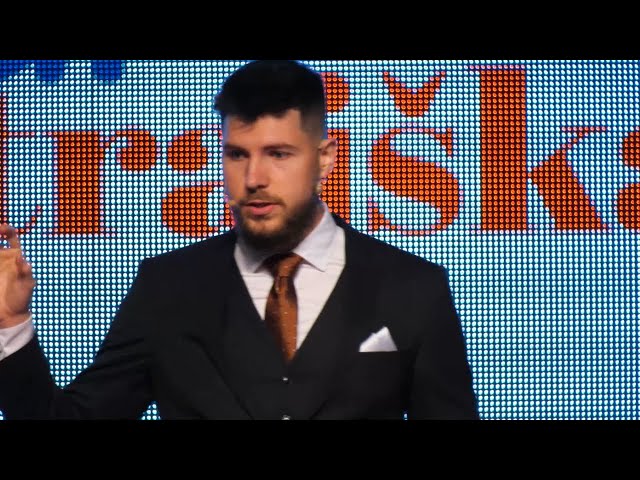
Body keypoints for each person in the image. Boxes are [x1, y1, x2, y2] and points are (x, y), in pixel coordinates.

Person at [0, 60, 479, 420]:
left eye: (279, 154)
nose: (254, 178)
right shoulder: (168, 287)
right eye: (236, 154)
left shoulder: (413, 287)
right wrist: (11, 323)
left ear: (325, 158)